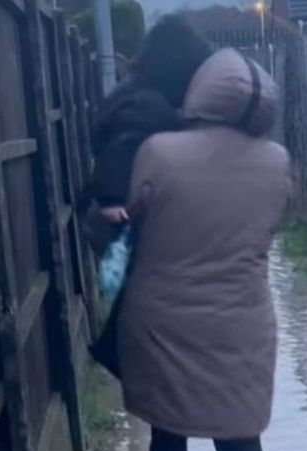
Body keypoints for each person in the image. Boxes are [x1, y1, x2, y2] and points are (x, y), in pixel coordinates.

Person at [118, 48, 293, 451]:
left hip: (163, 318)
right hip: (240, 323)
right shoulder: (277, 162)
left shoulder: (158, 152)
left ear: (200, 92)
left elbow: (134, 215)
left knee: (167, 430)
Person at [84, 16, 214, 377]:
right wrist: (115, 202)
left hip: (116, 223)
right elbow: (121, 156)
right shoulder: (148, 107)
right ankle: (116, 351)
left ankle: (122, 352)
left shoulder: (135, 96)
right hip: (126, 222)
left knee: (142, 304)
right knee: (148, 306)